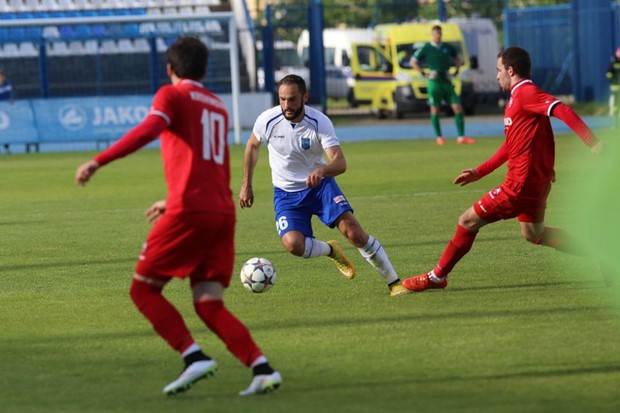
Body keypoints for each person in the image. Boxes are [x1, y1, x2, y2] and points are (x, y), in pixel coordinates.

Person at [75, 36, 281, 396]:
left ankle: (193, 356)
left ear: (170, 69)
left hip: (192, 212)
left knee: (143, 289)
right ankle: (261, 368)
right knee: (208, 303)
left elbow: (149, 130)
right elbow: (209, 165)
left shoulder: (172, 96)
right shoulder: (217, 106)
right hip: (220, 211)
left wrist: (98, 160)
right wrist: (173, 200)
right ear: (204, 69)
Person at [402, 46, 603, 293]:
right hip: (536, 183)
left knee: (467, 220)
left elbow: (561, 109)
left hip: (520, 185)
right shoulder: (517, 99)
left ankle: (436, 277)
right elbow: (511, 145)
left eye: (499, 71)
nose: (497, 76)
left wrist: (592, 142)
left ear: (511, 70)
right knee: (533, 233)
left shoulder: (526, 93)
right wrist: (479, 171)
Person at [239, 74, 410, 298]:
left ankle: (394, 282)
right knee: (293, 245)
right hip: (286, 193)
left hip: (320, 188)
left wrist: (322, 171)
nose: (286, 105)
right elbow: (252, 146)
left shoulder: (319, 122)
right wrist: (246, 184)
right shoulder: (267, 120)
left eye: (291, 99)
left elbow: (340, 162)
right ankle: (330, 250)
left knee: (355, 233)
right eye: (282, 99)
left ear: (304, 97)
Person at [410, 25, 475, 146]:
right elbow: (413, 61)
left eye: (439, 33)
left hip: (446, 82)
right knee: (435, 109)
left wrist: (456, 71)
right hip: (434, 83)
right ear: (432, 34)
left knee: (457, 107)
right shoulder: (427, 48)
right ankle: (439, 137)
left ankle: (461, 137)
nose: (438, 36)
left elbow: (458, 60)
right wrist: (424, 73)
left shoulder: (447, 47)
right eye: (435, 34)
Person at [605, 46, 620, 117]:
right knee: (614, 100)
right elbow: (608, 73)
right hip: (615, 85)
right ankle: (612, 115)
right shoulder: (613, 62)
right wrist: (612, 80)